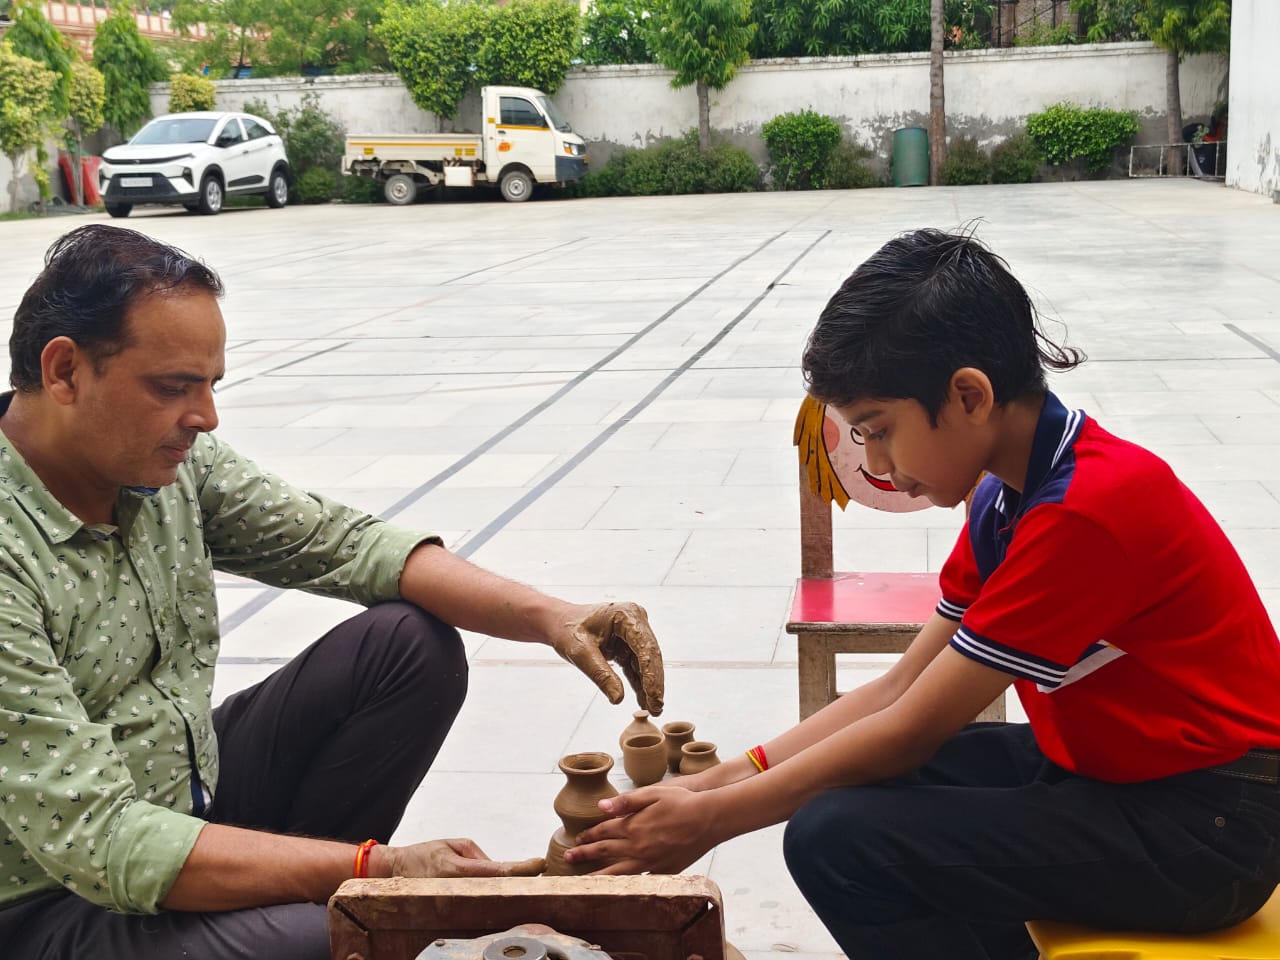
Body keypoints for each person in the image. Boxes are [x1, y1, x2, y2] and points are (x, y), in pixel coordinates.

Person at [568, 227, 1280, 959]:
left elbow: (909, 728)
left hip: (1214, 826)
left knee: (836, 841)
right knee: (860, 789)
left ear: (969, 395)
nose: (876, 464)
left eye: (878, 431)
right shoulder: (1006, 497)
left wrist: (713, 822)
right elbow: (898, 689)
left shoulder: (1085, 511)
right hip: (1113, 771)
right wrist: (711, 785)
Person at [0, 224, 664, 960]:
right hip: (52, 895)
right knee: (353, 936)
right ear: (64, 371)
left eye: (211, 386)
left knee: (407, 646)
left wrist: (555, 618)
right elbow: (102, 836)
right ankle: (321, 912)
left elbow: (347, 545)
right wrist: (380, 869)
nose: (205, 417)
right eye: (172, 388)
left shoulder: (168, 463)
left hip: (183, 789)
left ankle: (305, 901)